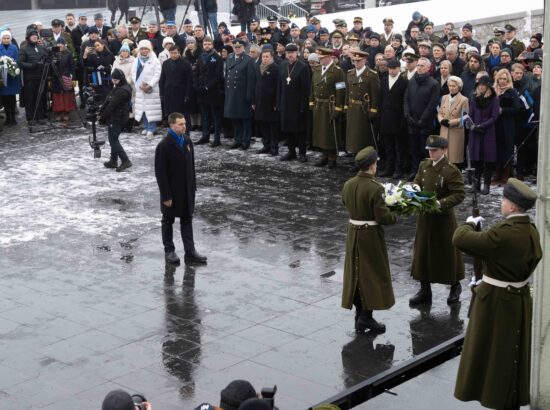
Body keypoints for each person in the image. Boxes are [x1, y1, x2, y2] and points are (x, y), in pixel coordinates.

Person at [453, 178, 542, 410]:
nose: (501, 203)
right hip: (519, 298)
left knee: (494, 355)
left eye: (504, 200)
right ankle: (510, 397)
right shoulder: (531, 231)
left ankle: (498, 398)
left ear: (512, 206)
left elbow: (459, 239)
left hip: (496, 302)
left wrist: (469, 223)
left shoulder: (503, 233)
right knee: (512, 353)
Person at [341, 146, 397, 333]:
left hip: (353, 234)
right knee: (371, 275)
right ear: (372, 165)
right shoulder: (375, 188)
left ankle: (360, 313)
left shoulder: (348, 184)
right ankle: (366, 317)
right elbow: (383, 217)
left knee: (356, 275)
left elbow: (344, 201)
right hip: (370, 236)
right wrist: (395, 213)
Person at [409, 135, 465, 306]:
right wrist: (412, 191)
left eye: (435, 150)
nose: (431, 153)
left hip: (442, 219)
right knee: (423, 253)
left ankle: (455, 286)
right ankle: (425, 289)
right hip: (425, 217)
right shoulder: (423, 165)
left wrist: (440, 203)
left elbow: (459, 194)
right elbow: (417, 182)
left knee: (447, 254)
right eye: (430, 150)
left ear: (444, 150)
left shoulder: (450, 170)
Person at [155, 112, 207, 265]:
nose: (184, 126)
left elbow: (191, 167)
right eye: (181, 124)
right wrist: (166, 196)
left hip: (186, 190)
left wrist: (192, 188)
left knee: (187, 219)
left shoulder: (187, 140)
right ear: (172, 125)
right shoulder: (164, 145)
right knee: (167, 220)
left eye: (185, 123)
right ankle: (169, 251)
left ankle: (190, 252)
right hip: (172, 191)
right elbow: (160, 173)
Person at [403, 57, 439, 180]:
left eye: (422, 65)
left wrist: (422, 120)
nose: (419, 67)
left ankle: (425, 173)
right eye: (418, 65)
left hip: (425, 123)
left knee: (424, 150)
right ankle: (414, 171)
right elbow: (406, 99)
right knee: (413, 149)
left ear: (428, 68)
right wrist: (407, 115)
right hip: (411, 122)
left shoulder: (433, 83)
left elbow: (432, 104)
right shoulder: (412, 81)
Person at [310, 47, 345, 168]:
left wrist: (338, 108)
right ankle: (323, 155)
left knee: (330, 132)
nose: (320, 60)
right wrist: (311, 102)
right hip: (319, 104)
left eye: (322, 58)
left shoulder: (337, 71)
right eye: (319, 58)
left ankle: (332, 157)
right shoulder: (317, 69)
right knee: (320, 132)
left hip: (330, 105)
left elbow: (341, 91)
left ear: (329, 57)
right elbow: (312, 86)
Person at [344, 49, 379, 162]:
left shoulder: (371, 75)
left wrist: (373, 110)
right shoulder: (350, 73)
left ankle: (363, 159)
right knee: (353, 135)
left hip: (364, 109)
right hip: (352, 107)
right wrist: (345, 106)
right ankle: (355, 157)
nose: (356, 63)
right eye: (354, 61)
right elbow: (347, 91)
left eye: (359, 61)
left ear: (364, 60)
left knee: (362, 136)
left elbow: (376, 94)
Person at [278, 43, 311, 161]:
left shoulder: (303, 67)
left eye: (292, 53)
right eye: (288, 53)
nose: (290, 55)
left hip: (298, 104)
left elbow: (306, 89)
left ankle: (302, 153)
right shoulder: (282, 66)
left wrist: (303, 105)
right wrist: (279, 102)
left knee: (300, 130)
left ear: (296, 53)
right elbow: (279, 86)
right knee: (288, 129)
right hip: (285, 103)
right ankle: (291, 151)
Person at [224, 38, 256, 150]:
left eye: (239, 47)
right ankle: (237, 139)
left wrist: (249, 96)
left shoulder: (248, 60)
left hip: (243, 94)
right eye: (235, 47)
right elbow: (227, 76)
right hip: (232, 93)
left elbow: (251, 80)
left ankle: (245, 140)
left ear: (243, 48)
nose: (237, 49)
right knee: (235, 118)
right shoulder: (230, 57)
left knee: (245, 119)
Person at [378, 59, 408, 178]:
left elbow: (405, 102)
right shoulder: (384, 80)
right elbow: (381, 100)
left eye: (394, 68)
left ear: (399, 68)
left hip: (398, 120)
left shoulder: (404, 82)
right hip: (386, 119)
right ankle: (388, 168)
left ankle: (398, 169)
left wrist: (403, 119)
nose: (392, 70)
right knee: (388, 146)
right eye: (390, 68)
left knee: (399, 147)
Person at [99, 68, 132, 172]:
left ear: (121, 79)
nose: (114, 81)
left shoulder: (121, 91)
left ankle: (125, 160)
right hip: (119, 116)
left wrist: (102, 116)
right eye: (113, 79)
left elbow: (111, 105)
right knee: (114, 138)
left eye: (116, 80)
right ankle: (113, 160)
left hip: (117, 117)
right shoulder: (122, 87)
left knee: (113, 140)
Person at [494, 69, 521, 185]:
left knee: (507, 148)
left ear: (508, 79)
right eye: (500, 79)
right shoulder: (494, 91)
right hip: (495, 123)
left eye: (505, 79)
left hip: (508, 123)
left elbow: (517, 108)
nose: (502, 81)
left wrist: (503, 110)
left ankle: (506, 175)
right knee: (497, 148)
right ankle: (497, 174)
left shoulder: (512, 92)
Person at [195, 36, 224, 147]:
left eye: (209, 44)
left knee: (215, 117)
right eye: (205, 44)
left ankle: (217, 139)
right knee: (205, 116)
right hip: (201, 91)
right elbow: (197, 72)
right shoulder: (201, 56)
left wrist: (207, 87)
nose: (207, 46)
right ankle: (205, 136)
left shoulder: (217, 57)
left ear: (212, 45)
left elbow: (218, 76)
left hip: (213, 92)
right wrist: (197, 85)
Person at [18, 29, 49, 125]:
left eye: (36, 35)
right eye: (32, 35)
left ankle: (40, 116)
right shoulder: (23, 49)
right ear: (28, 37)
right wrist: (32, 65)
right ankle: (31, 117)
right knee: (30, 97)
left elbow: (47, 59)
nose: (35, 37)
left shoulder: (41, 48)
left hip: (41, 76)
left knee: (40, 97)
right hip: (30, 78)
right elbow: (20, 63)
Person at [132, 39, 162, 138]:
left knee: (151, 109)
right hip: (140, 88)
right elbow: (133, 73)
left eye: (146, 49)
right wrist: (139, 84)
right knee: (143, 109)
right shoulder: (136, 60)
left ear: (149, 49)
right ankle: (146, 126)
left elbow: (157, 75)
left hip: (151, 89)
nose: (144, 51)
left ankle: (152, 128)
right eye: (142, 49)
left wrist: (150, 85)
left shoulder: (155, 60)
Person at [160, 46, 192, 135]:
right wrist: (161, 93)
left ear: (179, 53)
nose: (173, 55)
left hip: (181, 93)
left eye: (175, 53)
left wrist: (187, 95)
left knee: (183, 115)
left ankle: (186, 133)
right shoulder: (166, 63)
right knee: (171, 115)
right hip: (169, 93)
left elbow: (189, 81)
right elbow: (162, 79)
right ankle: (173, 132)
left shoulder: (185, 64)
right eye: (171, 53)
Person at [253, 49, 280, 156]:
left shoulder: (276, 68)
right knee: (263, 125)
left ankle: (274, 147)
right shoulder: (258, 67)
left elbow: (278, 87)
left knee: (272, 127)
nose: (264, 58)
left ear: (272, 57)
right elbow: (255, 85)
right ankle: (266, 145)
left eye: (267, 56)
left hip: (271, 103)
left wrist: (276, 103)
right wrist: (253, 101)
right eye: (263, 56)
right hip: (260, 101)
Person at [438, 76, 469, 167]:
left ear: (459, 87)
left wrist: (451, 122)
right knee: (444, 156)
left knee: (454, 157)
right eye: (449, 86)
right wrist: (441, 120)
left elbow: (465, 116)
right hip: (444, 130)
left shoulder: (464, 99)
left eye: (453, 86)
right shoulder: (444, 97)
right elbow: (440, 112)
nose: (451, 88)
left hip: (456, 131)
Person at [50, 38, 76, 126]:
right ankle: (58, 112)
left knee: (66, 94)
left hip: (66, 77)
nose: (60, 45)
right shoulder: (53, 54)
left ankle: (66, 112)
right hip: (56, 78)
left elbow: (72, 66)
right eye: (58, 43)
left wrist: (73, 78)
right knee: (57, 95)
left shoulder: (68, 54)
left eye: (61, 43)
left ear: (64, 44)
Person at [0, 30, 21, 126]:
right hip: (2, 77)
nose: (6, 40)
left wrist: (12, 66)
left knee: (12, 97)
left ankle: (13, 118)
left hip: (12, 76)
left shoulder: (14, 48)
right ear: (1, 39)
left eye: (8, 38)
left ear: (10, 39)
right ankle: (8, 117)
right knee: (4, 98)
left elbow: (17, 60)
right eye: (4, 38)